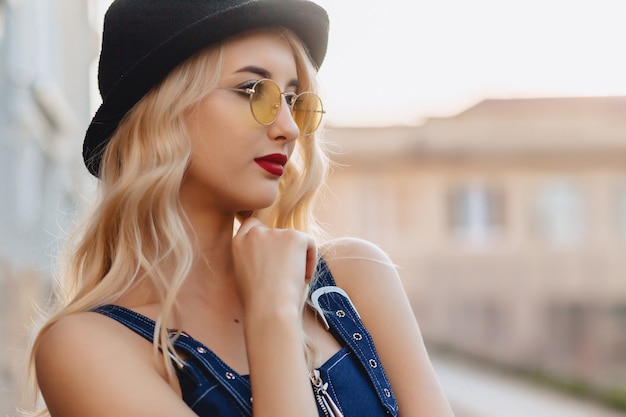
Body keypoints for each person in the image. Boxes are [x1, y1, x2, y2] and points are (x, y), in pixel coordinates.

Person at [28, 1, 455, 416]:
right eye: (253, 90)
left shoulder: (356, 278)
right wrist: (271, 313)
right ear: (162, 110)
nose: (288, 128)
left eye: (292, 98)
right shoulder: (86, 348)